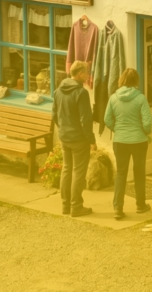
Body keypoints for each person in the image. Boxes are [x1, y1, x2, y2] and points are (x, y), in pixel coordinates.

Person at [105, 68, 152, 220]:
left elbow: (107, 119)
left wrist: (117, 129)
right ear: (136, 81)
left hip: (120, 141)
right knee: (139, 172)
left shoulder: (113, 98)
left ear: (121, 80)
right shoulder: (140, 98)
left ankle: (118, 209)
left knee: (121, 173)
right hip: (139, 141)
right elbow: (148, 123)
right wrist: (145, 132)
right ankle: (140, 205)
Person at [52, 60, 95, 217]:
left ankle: (65, 206)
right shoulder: (81, 93)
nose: (88, 75)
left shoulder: (58, 91)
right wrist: (91, 140)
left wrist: (63, 129)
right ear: (80, 74)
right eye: (86, 72)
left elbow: (54, 115)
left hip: (65, 137)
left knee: (66, 170)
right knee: (78, 172)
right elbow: (86, 120)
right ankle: (76, 206)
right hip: (78, 139)